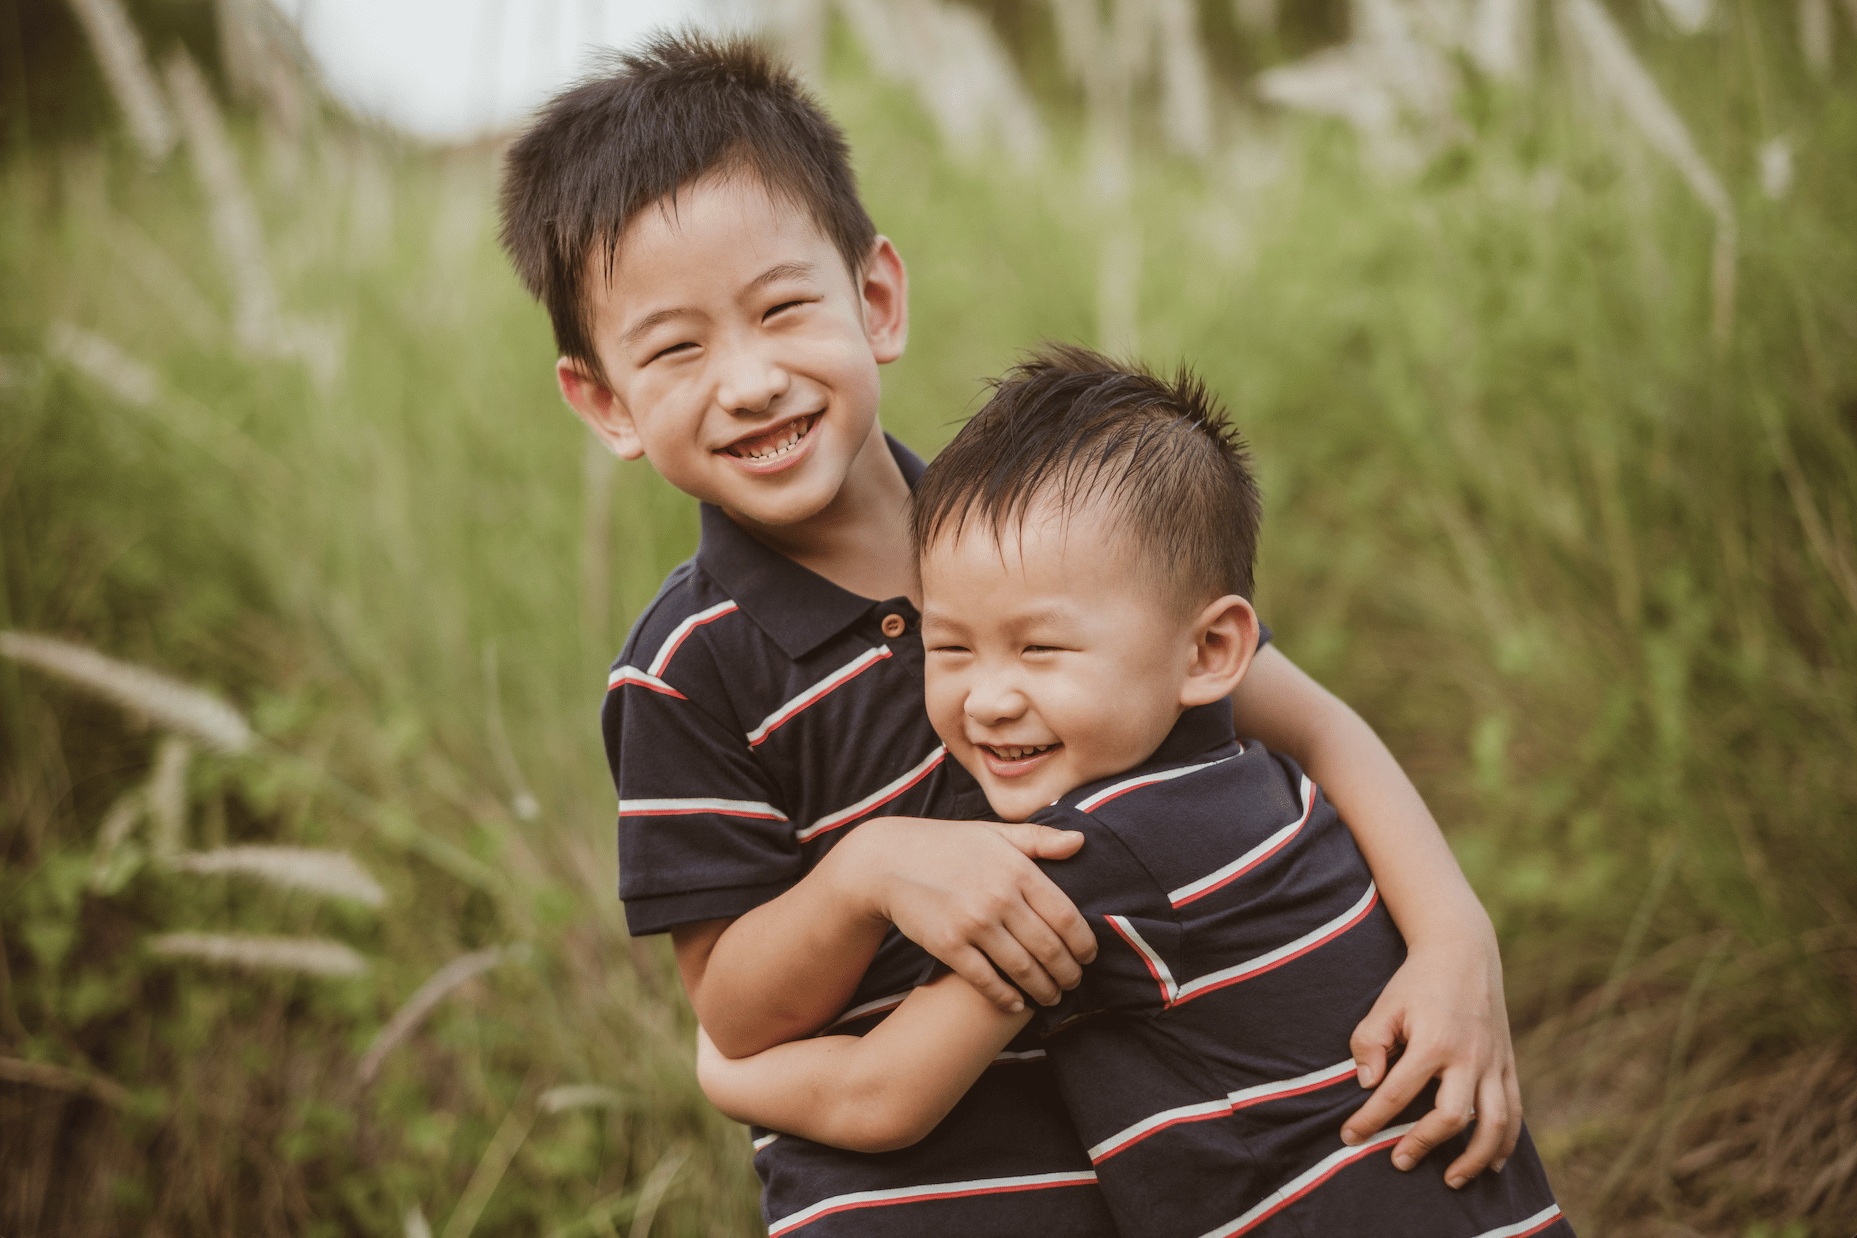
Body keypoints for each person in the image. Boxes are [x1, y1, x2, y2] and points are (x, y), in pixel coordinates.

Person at [498, 32, 1521, 1235]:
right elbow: (734, 1007)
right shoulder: (684, 669)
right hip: (905, 1193)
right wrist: (873, 870)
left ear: (874, 299)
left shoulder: (1039, 536)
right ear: (607, 401)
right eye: (676, 349)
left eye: (782, 309)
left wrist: (1457, 939)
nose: (750, 380)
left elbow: (1317, 726)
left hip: (1155, 1158)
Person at [698, 345, 1570, 1238]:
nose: (989, 698)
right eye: (951, 649)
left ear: (1208, 653)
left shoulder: (1092, 859)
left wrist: (725, 1069)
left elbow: (881, 1098)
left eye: (1041, 649)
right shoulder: (1256, 789)